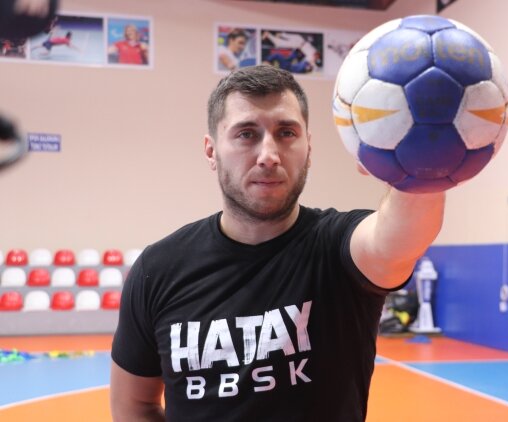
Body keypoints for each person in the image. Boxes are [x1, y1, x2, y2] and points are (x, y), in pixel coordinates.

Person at [109, 65, 445, 421]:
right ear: (211, 152)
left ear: (308, 148)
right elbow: (134, 406)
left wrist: (418, 164)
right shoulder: (158, 269)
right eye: (246, 134)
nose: (268, 155)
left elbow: (399, 237)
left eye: (286, 133)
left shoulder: (338, 248)